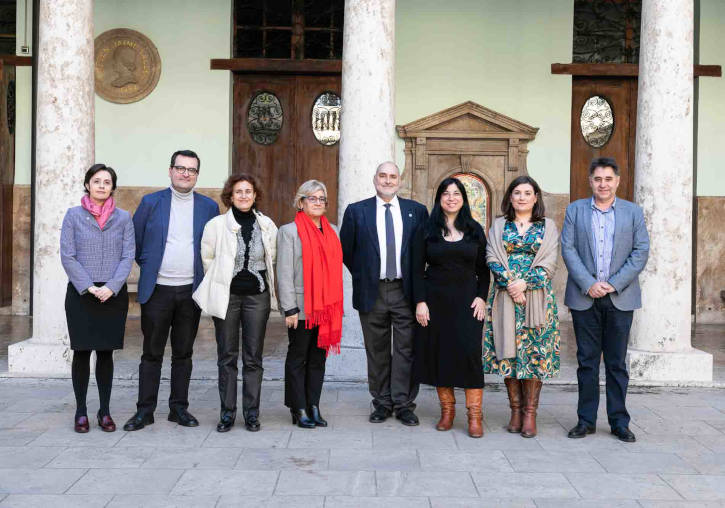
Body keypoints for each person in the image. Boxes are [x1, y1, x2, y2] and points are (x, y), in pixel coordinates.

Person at [123, 150, 220, 432]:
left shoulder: (208, 207)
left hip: (190, 291)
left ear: (197, 175)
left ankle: (179, 408)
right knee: (151, 353)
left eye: (191, 169)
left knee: (183, 353)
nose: (185, 173)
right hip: (158, 290)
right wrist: (153, 267)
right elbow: (137, 243)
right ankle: (145, 411)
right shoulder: (151, 202)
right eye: (180, 168)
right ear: (170, 171)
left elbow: (211, 247)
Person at [561, 157, 649, 443]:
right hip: (585, 297)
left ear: (617, 181)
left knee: (616, 363)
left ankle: (619, 422)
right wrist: (589, 284)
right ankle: (585, 420)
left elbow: (640, 251)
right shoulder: (575, 211)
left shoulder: (633, 213)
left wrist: (612, 284)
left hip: (620, 298)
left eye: (608, 179)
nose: (603, 184)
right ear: (591, 181)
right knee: (586, 362)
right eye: (598, 179)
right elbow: (568, 249)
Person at [340, 162, 428, 426]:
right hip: (373, 290)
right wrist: (366, 273)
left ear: (399, 180)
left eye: (392, 176)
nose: (387, 181)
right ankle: (381, 402)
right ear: (374, 178)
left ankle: (403, 404)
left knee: (406, 349)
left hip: (405, 291)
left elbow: (423, 252)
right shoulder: (357, 211)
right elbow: (347, 250)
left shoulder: (417, 211)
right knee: (376, 350)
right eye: (382, 176)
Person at [193, 174, 278, 432]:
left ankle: (251, 414)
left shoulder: (267, 225)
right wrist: (221, 283)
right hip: (227, 297)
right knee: (227, 356)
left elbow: (272, 259)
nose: (243, 196)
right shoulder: (216, 225)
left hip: (257, 298)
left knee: (253, 357)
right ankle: (227, 413)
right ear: (230, 196)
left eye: (248, 191)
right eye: (238, 192)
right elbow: (207, 258)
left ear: (255, 195)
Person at [482, 176, 560, 438]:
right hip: (505, 299)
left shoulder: (547, 226)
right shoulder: (499, 226)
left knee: (534, 354)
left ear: (536, 197)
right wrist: (510, 284)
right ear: (510, 198)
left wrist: (525, 284)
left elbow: (550, 262)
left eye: (528, 192)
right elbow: (491, 256)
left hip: (537, 298)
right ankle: (514, 411)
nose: (522, 197)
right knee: (510, 354)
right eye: (517, 192)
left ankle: (530, 414)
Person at [60, 164, 135, 433]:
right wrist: (90, 287)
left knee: (105, 353)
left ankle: (104, 410)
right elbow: (68, 256)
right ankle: (81, 411)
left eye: (107, 182)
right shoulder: (73, 216)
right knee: (81, 352)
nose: (102, 185)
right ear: (87, 185)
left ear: (113, 187)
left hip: (113, 295)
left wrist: (112, 287)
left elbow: (128, 256)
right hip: (82, 294)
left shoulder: (124, 218)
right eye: (96, 181)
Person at [413, 177, 490, 438]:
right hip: (435, 303)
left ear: (464, 199)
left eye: (456, 193)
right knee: (441, 355)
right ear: (439, 199)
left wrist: (482, 297)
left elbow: (484, 270)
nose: (451, 198)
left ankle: (474, 416)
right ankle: (447, 412)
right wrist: (420, 302)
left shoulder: (474, 229)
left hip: (468, 303)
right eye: (445, 193)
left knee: (469, 356)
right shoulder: (426, 229)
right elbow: (415, 270)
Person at [277, 180, 343, 428]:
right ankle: (299, 407)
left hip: (326, 309)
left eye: (321, 198)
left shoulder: (333, 231)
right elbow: (284, 273)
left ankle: (313, 404)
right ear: (301, 202)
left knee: (318, 359)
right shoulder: (289, 231)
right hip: (302, 308)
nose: (317, 203)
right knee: (298, 357)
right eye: (312, 198)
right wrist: (290, 308)